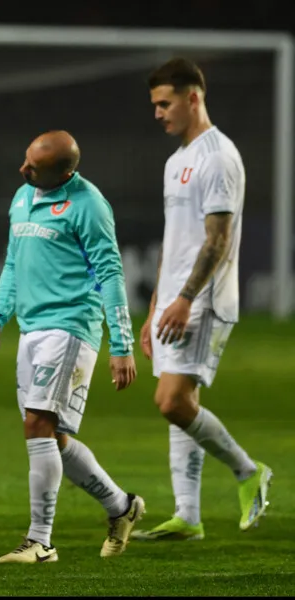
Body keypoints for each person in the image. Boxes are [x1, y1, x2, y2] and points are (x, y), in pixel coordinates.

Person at [0, 130, 144, 563]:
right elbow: (13, 261)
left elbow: (110, 273)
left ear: (65, 172)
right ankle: (121, 506)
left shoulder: (89, 205)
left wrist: (122, 344)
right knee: (52, 437)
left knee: (37, 426)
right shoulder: (23, 197)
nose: (23, 170)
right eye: (26, 160)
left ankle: (40, 541)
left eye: (33, 167)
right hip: (32, 330)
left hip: (70, 327)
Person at [132, 58, 272, 542]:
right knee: (182, 401)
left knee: (171, 402)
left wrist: (186, 299)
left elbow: (217, 240)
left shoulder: (219, 157)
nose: (157, 113)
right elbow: (174, 240)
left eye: (164, 103)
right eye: (154, 105)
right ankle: (188, 515)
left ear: (193, 97)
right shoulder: (176, 161)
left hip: (203, 301)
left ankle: (248, 471)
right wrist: (156, 305)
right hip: (174, 301)